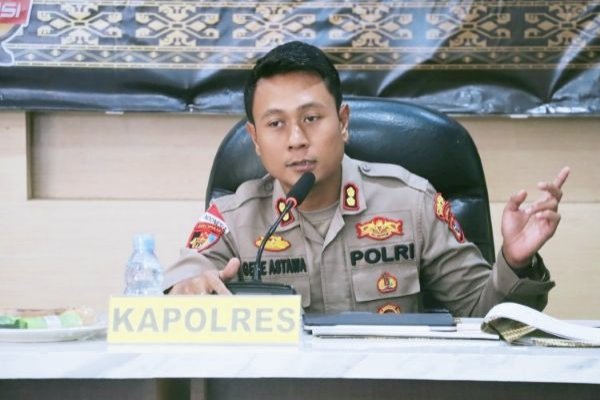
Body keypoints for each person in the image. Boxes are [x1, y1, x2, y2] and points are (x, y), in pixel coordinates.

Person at [163, 41, 569, 317]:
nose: (296, 139)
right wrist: (186, 290)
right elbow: (179, 286)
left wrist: (515, 262)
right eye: (276, 124)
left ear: (342, 122)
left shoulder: (412, 202)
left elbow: (484, 315)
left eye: (311, 118)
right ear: (254, 139)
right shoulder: (232, 219)